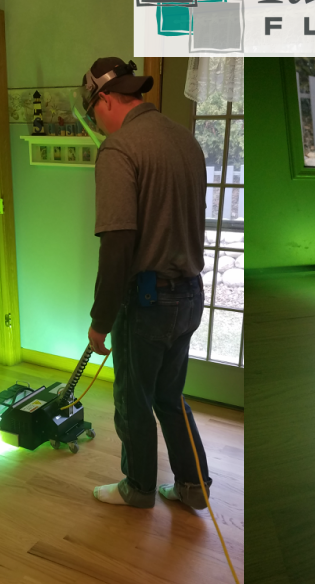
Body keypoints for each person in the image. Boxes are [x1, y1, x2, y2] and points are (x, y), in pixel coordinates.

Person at [81, 57, 213, 511]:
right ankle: (194, 486)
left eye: (93, 112)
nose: (96, 123)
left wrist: (100, 321)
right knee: (169, 397)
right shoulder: (185, 140)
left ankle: (138, 488)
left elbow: (118, 244)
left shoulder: (120, 149)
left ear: (103, 100)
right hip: (190, 294)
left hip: (148, 301)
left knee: (133, 399)